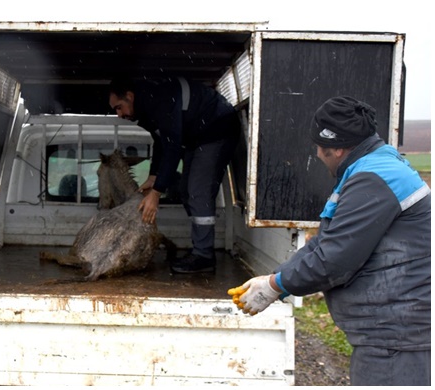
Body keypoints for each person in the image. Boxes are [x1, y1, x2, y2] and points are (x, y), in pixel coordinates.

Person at [230, 96, 431, 386]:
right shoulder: (370, 168)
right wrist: (275, 279)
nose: (317, 154)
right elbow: (326, 242)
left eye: (319, 148)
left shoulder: (373, 179)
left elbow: (334, 260)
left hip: (397, 338)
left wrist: (275, 287)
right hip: (393, 333)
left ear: (336, 148)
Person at [109, 77, 240, 273]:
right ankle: (200, 249)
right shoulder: (147, 108)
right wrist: (154, 176)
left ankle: (203, 256)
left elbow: (172, 148)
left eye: (119, 107)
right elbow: (161, 143)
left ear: (130, 96)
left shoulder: (158, 101)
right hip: (197, 137)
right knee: (187, 192)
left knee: (198, 192)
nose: (119, 115)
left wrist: (156, 192)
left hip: (217, 129)